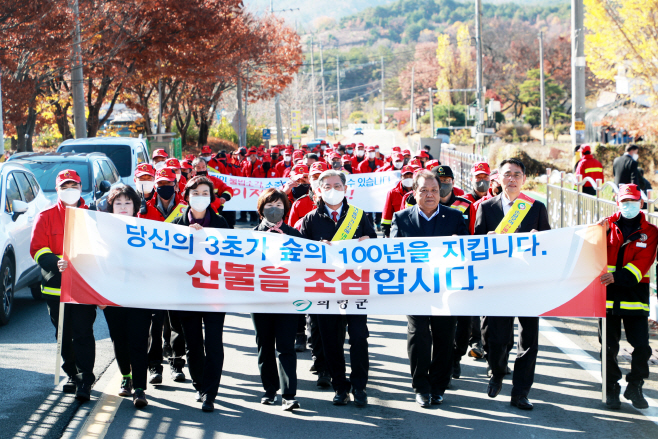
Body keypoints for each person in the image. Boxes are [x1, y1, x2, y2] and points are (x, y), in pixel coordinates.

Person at [59, 185, 152, 408]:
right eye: (117, 203)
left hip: (141, 296)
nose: (123, 207)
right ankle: (126, 377)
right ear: (110, 206)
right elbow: (93, 261)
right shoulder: (101, 231)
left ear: (135, 206)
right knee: (120, 340)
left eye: (127, 203)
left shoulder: (148, 230)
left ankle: (139, 388)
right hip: (112, 298)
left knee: (139, 341)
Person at [474, 158, 550, 411]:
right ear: (498, 178)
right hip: (497, 283)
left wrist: (539, 240)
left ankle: (520, 392)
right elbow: (474, 247)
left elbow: (548, 244)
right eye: (507, 174)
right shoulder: (487, 208)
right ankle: (496, 372)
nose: (512, 178)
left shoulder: (536, 208)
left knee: (529, 341)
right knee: (495, 338)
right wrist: (487, 240)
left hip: (528, 282)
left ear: (524, 179)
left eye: (517, 174)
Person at [390, 170, 468, 408]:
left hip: (446, 289)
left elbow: (468, 252)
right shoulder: (401, 218)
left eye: (435, 190)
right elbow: (391, 253)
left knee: (445, 339)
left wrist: (459, 245)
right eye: (424, 190)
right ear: (414, 193)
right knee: (419, 337)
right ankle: (421, 387)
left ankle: (438, 386)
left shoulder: (455, 218)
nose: (430, 195)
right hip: (416, 289)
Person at [299, 170, 377, 407]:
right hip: (325, 290)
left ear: (345, 189)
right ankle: (340, 387)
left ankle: (359, 386)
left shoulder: (360, 216)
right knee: (331, 341)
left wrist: (369, 242)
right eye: (327, 186)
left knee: (359, 338)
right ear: (319, 191)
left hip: (354, 288)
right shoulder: (310, 220)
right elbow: (301, 256)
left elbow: (376, 250)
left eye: (337, 185)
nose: (333, 190)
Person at [30, 170, 96, 402]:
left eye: (74, 186)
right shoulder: (45, 216)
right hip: (55, 288)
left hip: (83, 287)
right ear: (57, 190)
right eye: (64, 187)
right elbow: (37, 248)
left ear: (80, 188)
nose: (70, 191)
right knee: (64, 334)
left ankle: (85, 379)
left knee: (83, 333)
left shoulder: (93, 215)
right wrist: (54, 262)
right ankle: (72, 374)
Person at [171, 176, 231, 412]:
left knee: (214, 343)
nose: (200, 197)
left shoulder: (221, 223)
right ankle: (199, 384)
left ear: (212, 197)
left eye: (205, 192)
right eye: (195, 192)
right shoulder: (176, 223)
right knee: (193, 343)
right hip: (186, 293)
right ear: (186, 196)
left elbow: (232, 257)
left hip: (215, 293)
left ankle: (210, 392)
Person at [597, 184, 657, 410]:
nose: (628, 206)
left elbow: (644, 261)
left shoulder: (650, 231)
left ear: (641, 203)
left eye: (633, 201)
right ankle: (611, 388)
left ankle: (635, 384)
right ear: (617, 202)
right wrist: (597, 235)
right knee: (608, 347)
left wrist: (618, 277)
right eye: (624, 202)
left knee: (642, 346)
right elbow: (590, 252)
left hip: (635, 295)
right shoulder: (605, 226)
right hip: (606, 296)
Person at [251, 188, 302, 411]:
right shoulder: (250, 236)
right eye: (270, 206)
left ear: (285, 210)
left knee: (285, 347)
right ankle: (269, 390)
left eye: (279, 206)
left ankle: (288, 394)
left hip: (287, 299)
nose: (275, 210)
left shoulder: (294, 235)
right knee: (264, 345)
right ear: (261, 209)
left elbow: (308, 264)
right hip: (260, 299)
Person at [381, 165, 414, 237]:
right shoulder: (392, 193)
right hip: (398, 229)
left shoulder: (418, 192)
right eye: (405, 176)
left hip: (415, 228)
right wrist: (386, 232)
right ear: (401, 177)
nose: (408, 178)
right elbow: (387, 213)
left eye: (410, 176)